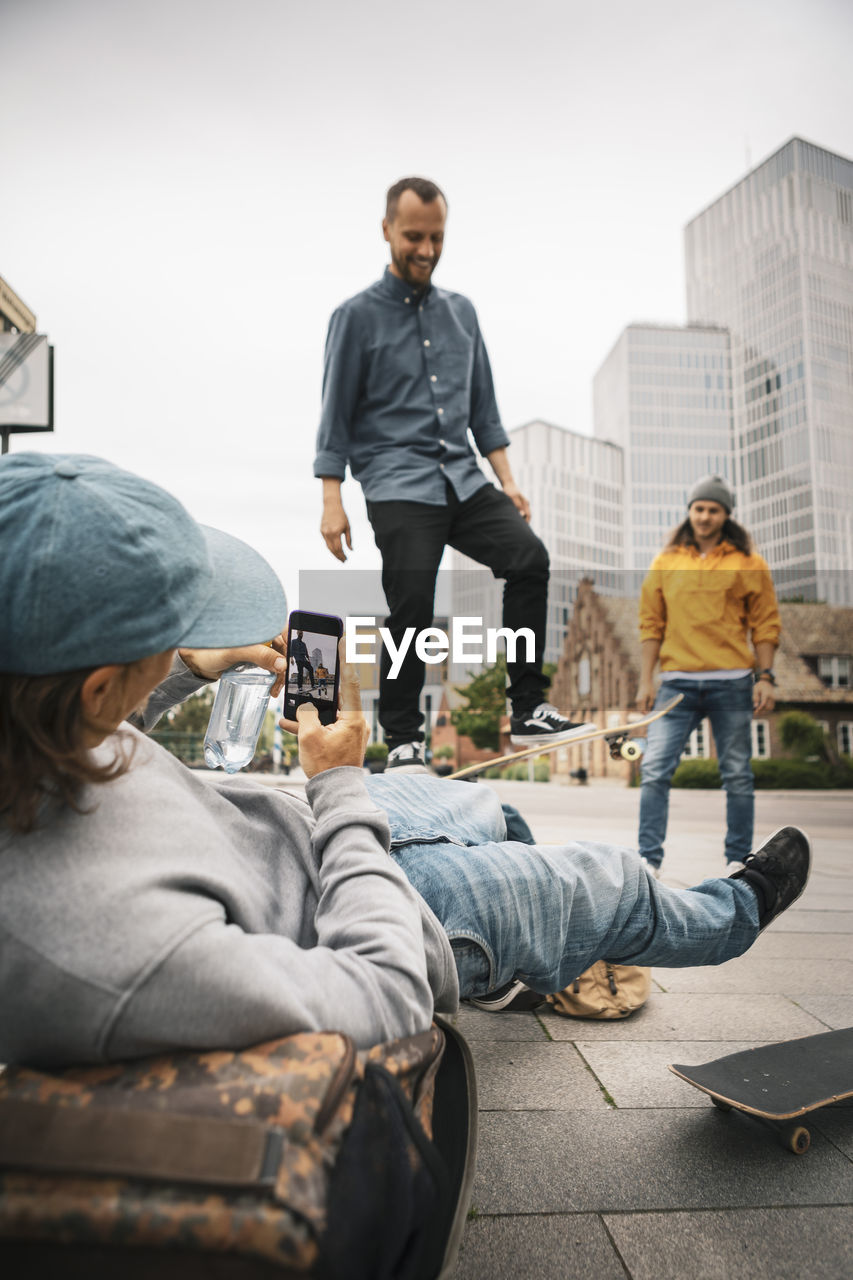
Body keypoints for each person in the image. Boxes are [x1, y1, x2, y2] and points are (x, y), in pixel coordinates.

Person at [0, 453, 809, 1066]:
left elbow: (96, 720)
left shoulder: (36, 717)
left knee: (487, 809)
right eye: (165, 636)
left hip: (301, 833)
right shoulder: (101, 947)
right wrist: (339, 786)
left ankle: (528, 955)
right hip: (359, 908)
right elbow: (381, 993)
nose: (186, 636)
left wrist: (189, 667)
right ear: (100, 686)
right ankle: (727, 917)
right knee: (601, 878)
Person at [313, 176, 593, 768]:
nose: (426, 249)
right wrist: (331, 498)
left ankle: (527, 705)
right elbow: (334, 414)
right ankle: (406, 738)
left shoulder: (462, 313)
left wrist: (509, 481)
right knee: (412, 602)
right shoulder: (355, 317)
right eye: (414, 236)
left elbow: (484, 410)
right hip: (395, 481)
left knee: (529, 558)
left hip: (462, 478)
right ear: (387, 230)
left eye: (436, 237)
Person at [636, 474, 781, 875]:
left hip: (732, 682)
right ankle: (649, 858)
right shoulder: (666, 561)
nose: (704, 516)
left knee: (736, 773)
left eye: (712, 509)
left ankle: (737, 858)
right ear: (689, 512)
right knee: (654, 770)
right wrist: (646, 680)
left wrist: (765, 676)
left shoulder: (748, 563)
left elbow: (765, 624)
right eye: (698, 508)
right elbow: (651, 623)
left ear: (725, 515)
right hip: (676, 683)